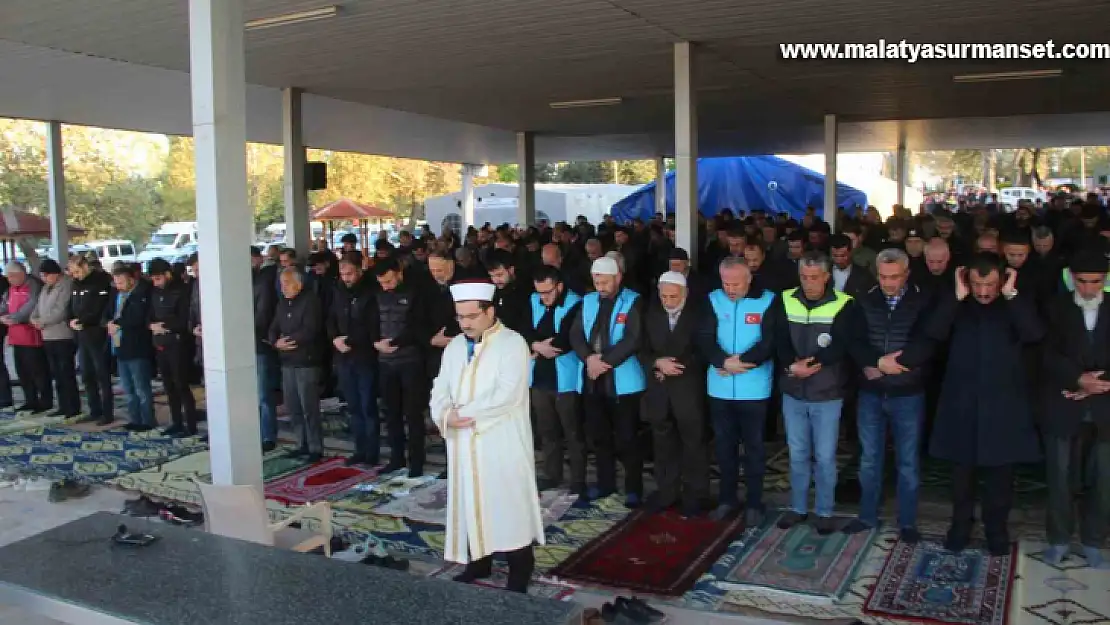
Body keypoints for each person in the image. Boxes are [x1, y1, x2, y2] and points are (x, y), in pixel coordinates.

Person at [430, 280, 544, 594]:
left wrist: (462, 414)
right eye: (460, 317)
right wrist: (444, 413)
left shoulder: (512, 343)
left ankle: (520, 570)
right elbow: (440, 386)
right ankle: (479, 561)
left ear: (489, 310)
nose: (465, 323)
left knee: (508, 505)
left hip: (500, 440)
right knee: (470, 502)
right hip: (463, 441)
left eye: (471, 316)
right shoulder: (454, 346)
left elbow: (506, 395)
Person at [926, 253, 1043, 555]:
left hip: (1003, 405)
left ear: (1002, 279)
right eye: (977, 284)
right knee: (961, 481)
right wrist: (956, 296)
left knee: (1000, 481)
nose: (982, 292)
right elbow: (935, 332)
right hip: (961, 404)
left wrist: (1012, 295)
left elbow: (1033, 333)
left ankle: (996, 533)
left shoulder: (1015, 301)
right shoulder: (958, 302)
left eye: (989, 284)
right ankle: (960, 529)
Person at [843, 248, 933, 542]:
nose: (889, 283)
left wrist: (897, 365)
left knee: (907, 462)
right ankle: (867, 516)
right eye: (883, 276)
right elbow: (853, 339)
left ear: (906, 274)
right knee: (869, 458)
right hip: (870, 391)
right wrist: (875, 363)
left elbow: (926, 342)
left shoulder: (922, 298)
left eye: (894, 277)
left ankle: (907, 523)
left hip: (908, 392)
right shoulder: (864, 297)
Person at [771, 251, 857, 534]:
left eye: (814, 277)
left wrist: (811, 365)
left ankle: (824, 511)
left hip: (826, 392)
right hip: (793, 390)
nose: (808, 283)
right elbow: (779, 338)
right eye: (804, 277)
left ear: (826, 276)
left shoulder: (844, 304)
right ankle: (797, 508)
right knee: (797, 454)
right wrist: (791, 365)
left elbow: (842, 344)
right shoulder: (784, 299)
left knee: (825, 456)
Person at [1038, 247, 1110, 569]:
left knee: (1104, 479)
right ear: (1071, 279)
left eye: (1095, 282)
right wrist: (1077, 379)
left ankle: (1094, 541)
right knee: (1060, 476)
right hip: (1064, 404)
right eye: (1082, 281)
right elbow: (1044, 355)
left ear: (1105, 280)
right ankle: (1059, 539)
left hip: (1105, 408)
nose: (1088, 289)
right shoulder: (1054, 308)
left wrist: (1099, 382)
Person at [697, 257, 777, 525]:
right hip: (719, 389)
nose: (730, 289)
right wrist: (722, 362)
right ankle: (726, 499)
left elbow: (768, 342)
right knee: (723, 447)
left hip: (754, 389)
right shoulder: (712, 299)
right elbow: (705, 337)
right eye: (726, 283)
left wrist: (736, 364)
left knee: (754, 448)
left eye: (736, 283)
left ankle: (754, 502)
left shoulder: (768, 300)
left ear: (749, 278)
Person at [569, 256, 646, 507]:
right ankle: (605, 483)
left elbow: (633, 339)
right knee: (599, 437)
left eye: (604, 282)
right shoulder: (588, 300)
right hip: (592, 379)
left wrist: (605, 363)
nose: (600, 287)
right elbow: (576, 334)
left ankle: (634, 488)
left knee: (627, 438)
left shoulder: (633, 300)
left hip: (623, 381)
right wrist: (590, 358)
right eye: (596, 282)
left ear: (618, 278)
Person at [640, 271, 709, 518]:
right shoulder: (652, 313)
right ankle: (666, 492)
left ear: (685, 293)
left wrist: (675, 367)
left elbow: (705, 349)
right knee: (662, 441)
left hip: (687, 386)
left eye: (673, 296)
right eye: (664, 296)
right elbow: (642, 348)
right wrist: (657, 363)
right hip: (659, 386)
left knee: (693, 441)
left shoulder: (699, 313)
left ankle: (696, 494)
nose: (668, 300)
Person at [523, 265, 585, 494]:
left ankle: (578, 480)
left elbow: (565, 339)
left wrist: (539, 344)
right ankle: (552, 474)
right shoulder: (533, 300)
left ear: (559, 287)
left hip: (565, 378)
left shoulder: (576, 302)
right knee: (547, 431)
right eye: (540, 292)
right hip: (539, 376)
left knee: (572, 431)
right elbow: (525, 329)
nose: (544, 298)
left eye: (548, 292)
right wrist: (537, 344)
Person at [374, 257, 431, 476]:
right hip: (385, 362)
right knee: (391, 413)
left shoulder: (415, 292)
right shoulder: (377, 294)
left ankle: (416, 462)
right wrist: (375, 342)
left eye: (389, 280)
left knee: (413, 413)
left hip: (410, 361)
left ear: (398, 273)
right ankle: (396, 458)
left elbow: (418, 326)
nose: (386, 286)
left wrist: (395, 343)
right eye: (382, 282)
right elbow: (372, 322)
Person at [328, 256, 381, 466]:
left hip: (364, 356)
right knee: (353, 406)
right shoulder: (338, 291)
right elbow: (330, 318)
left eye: (349, 273)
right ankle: (360, 449)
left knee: (368, 406)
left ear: (359, 271)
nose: (346, 278)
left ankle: (372, 452)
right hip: (343, 356)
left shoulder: (370, 292)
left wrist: (348, 340)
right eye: (343, 274)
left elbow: (371, 326)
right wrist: (335, 339)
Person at [270, 267, 324, 461]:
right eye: (281, 284)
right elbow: (274, 326)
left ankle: (315, 447)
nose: (283, 288)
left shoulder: (311, 302)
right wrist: (275, 341)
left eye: (286, 284)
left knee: (309, 407)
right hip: (287, 361)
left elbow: (311, 330)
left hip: (306, 361)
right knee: (293, 406)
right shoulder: (282, 303)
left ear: (298, 284)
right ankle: (301, 443)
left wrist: (290, 341)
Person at [147, 259, 198, 437]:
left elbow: (184, 318)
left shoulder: (182, 291)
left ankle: (191, 424)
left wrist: (165, 325)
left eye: (158, 278)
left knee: (181, 384)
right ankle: (176, 422)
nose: (156, 282)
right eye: (153, 279)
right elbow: (149, 314)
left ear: (167, 275)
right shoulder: (154, 291)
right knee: (168, 385)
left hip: (178, 343)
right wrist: (152, 325)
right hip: (160, 342)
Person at [104, 264, 156, 430]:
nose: (118, 286)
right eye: (116, 283)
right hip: (119, 346)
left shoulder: (141, 295)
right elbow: (107, 313)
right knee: (127, 387)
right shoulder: (116, 295)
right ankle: (135, 419)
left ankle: (147, 420)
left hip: (137, 347)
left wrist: (118, 324)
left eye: (121, 283)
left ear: (132, 280)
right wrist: (109, 323)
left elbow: (138, 318)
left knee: (141, 387)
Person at [68, 255, 115, 425]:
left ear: (86, 266)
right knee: (87, 374)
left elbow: (100, 308)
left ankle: (107, 412)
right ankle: (94, 410)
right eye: (72, 272)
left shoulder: (100, 281)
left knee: (102, 374)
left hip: (97, 334)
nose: (75, 275)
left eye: (77, 271)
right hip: (81, 335)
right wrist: (71, 320)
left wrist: (85, 321)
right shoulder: (75, 284)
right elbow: (71, 305)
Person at [31, 260, 80, 419]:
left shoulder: (66, 285)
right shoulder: (46, 287)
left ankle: (72, 406)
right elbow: (37, 308)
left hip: (63, 335)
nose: (44, 278)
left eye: (46, 275)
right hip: (47, 336)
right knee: (56, 373)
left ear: (55, 273)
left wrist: (43, 321)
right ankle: (62, 405)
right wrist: (34, 319)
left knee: (66, 372)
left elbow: (62, 310)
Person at [0, 262, 50, 413]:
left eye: (11, 277)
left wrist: (15, 317)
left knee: (37, 370)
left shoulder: (33, 285)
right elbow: (4, 303)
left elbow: (32, 304)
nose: (9, 280)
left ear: (20, 274)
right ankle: (30, 400)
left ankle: (45, 401)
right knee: (22, 371)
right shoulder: (11, 288)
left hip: (31, 336)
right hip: (16, 337)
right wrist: (2, 315)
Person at [250, 247, 279, 451]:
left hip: (258, 343)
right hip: (240, 346)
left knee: (263, 394)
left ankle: (268, 435)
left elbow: (262, 316)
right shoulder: (237, 285)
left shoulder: (262, 284)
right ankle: (252, 432)